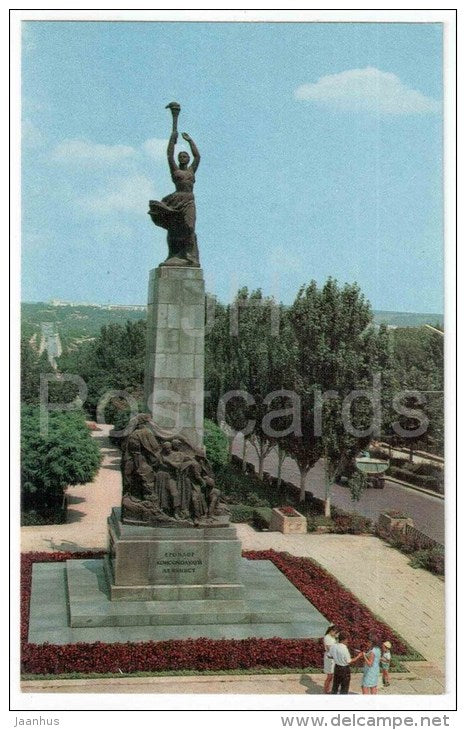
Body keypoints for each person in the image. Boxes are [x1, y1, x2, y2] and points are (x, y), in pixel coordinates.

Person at [149, 130, 200, 266]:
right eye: (181, 156)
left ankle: (190, 257)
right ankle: (174, 255)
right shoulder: (175, 171)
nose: (183, 158)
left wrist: (190, 141)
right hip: (176, 200)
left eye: (185, 156)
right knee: (174, 228)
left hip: (189, 200)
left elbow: (198, 156)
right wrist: (173, 138)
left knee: (189, 227)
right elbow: (169, 155)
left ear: (188, 159)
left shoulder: (191, 171)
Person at [323, 625, 339, 694]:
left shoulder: (332, 637)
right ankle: (326, 690)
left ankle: (329, 689)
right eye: (335, 632)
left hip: (333, 657)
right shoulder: (327, 637)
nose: (336, 634)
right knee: (330, 675)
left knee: (332, 675)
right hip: (329, 658)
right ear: (331, 631)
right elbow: (330, 648)